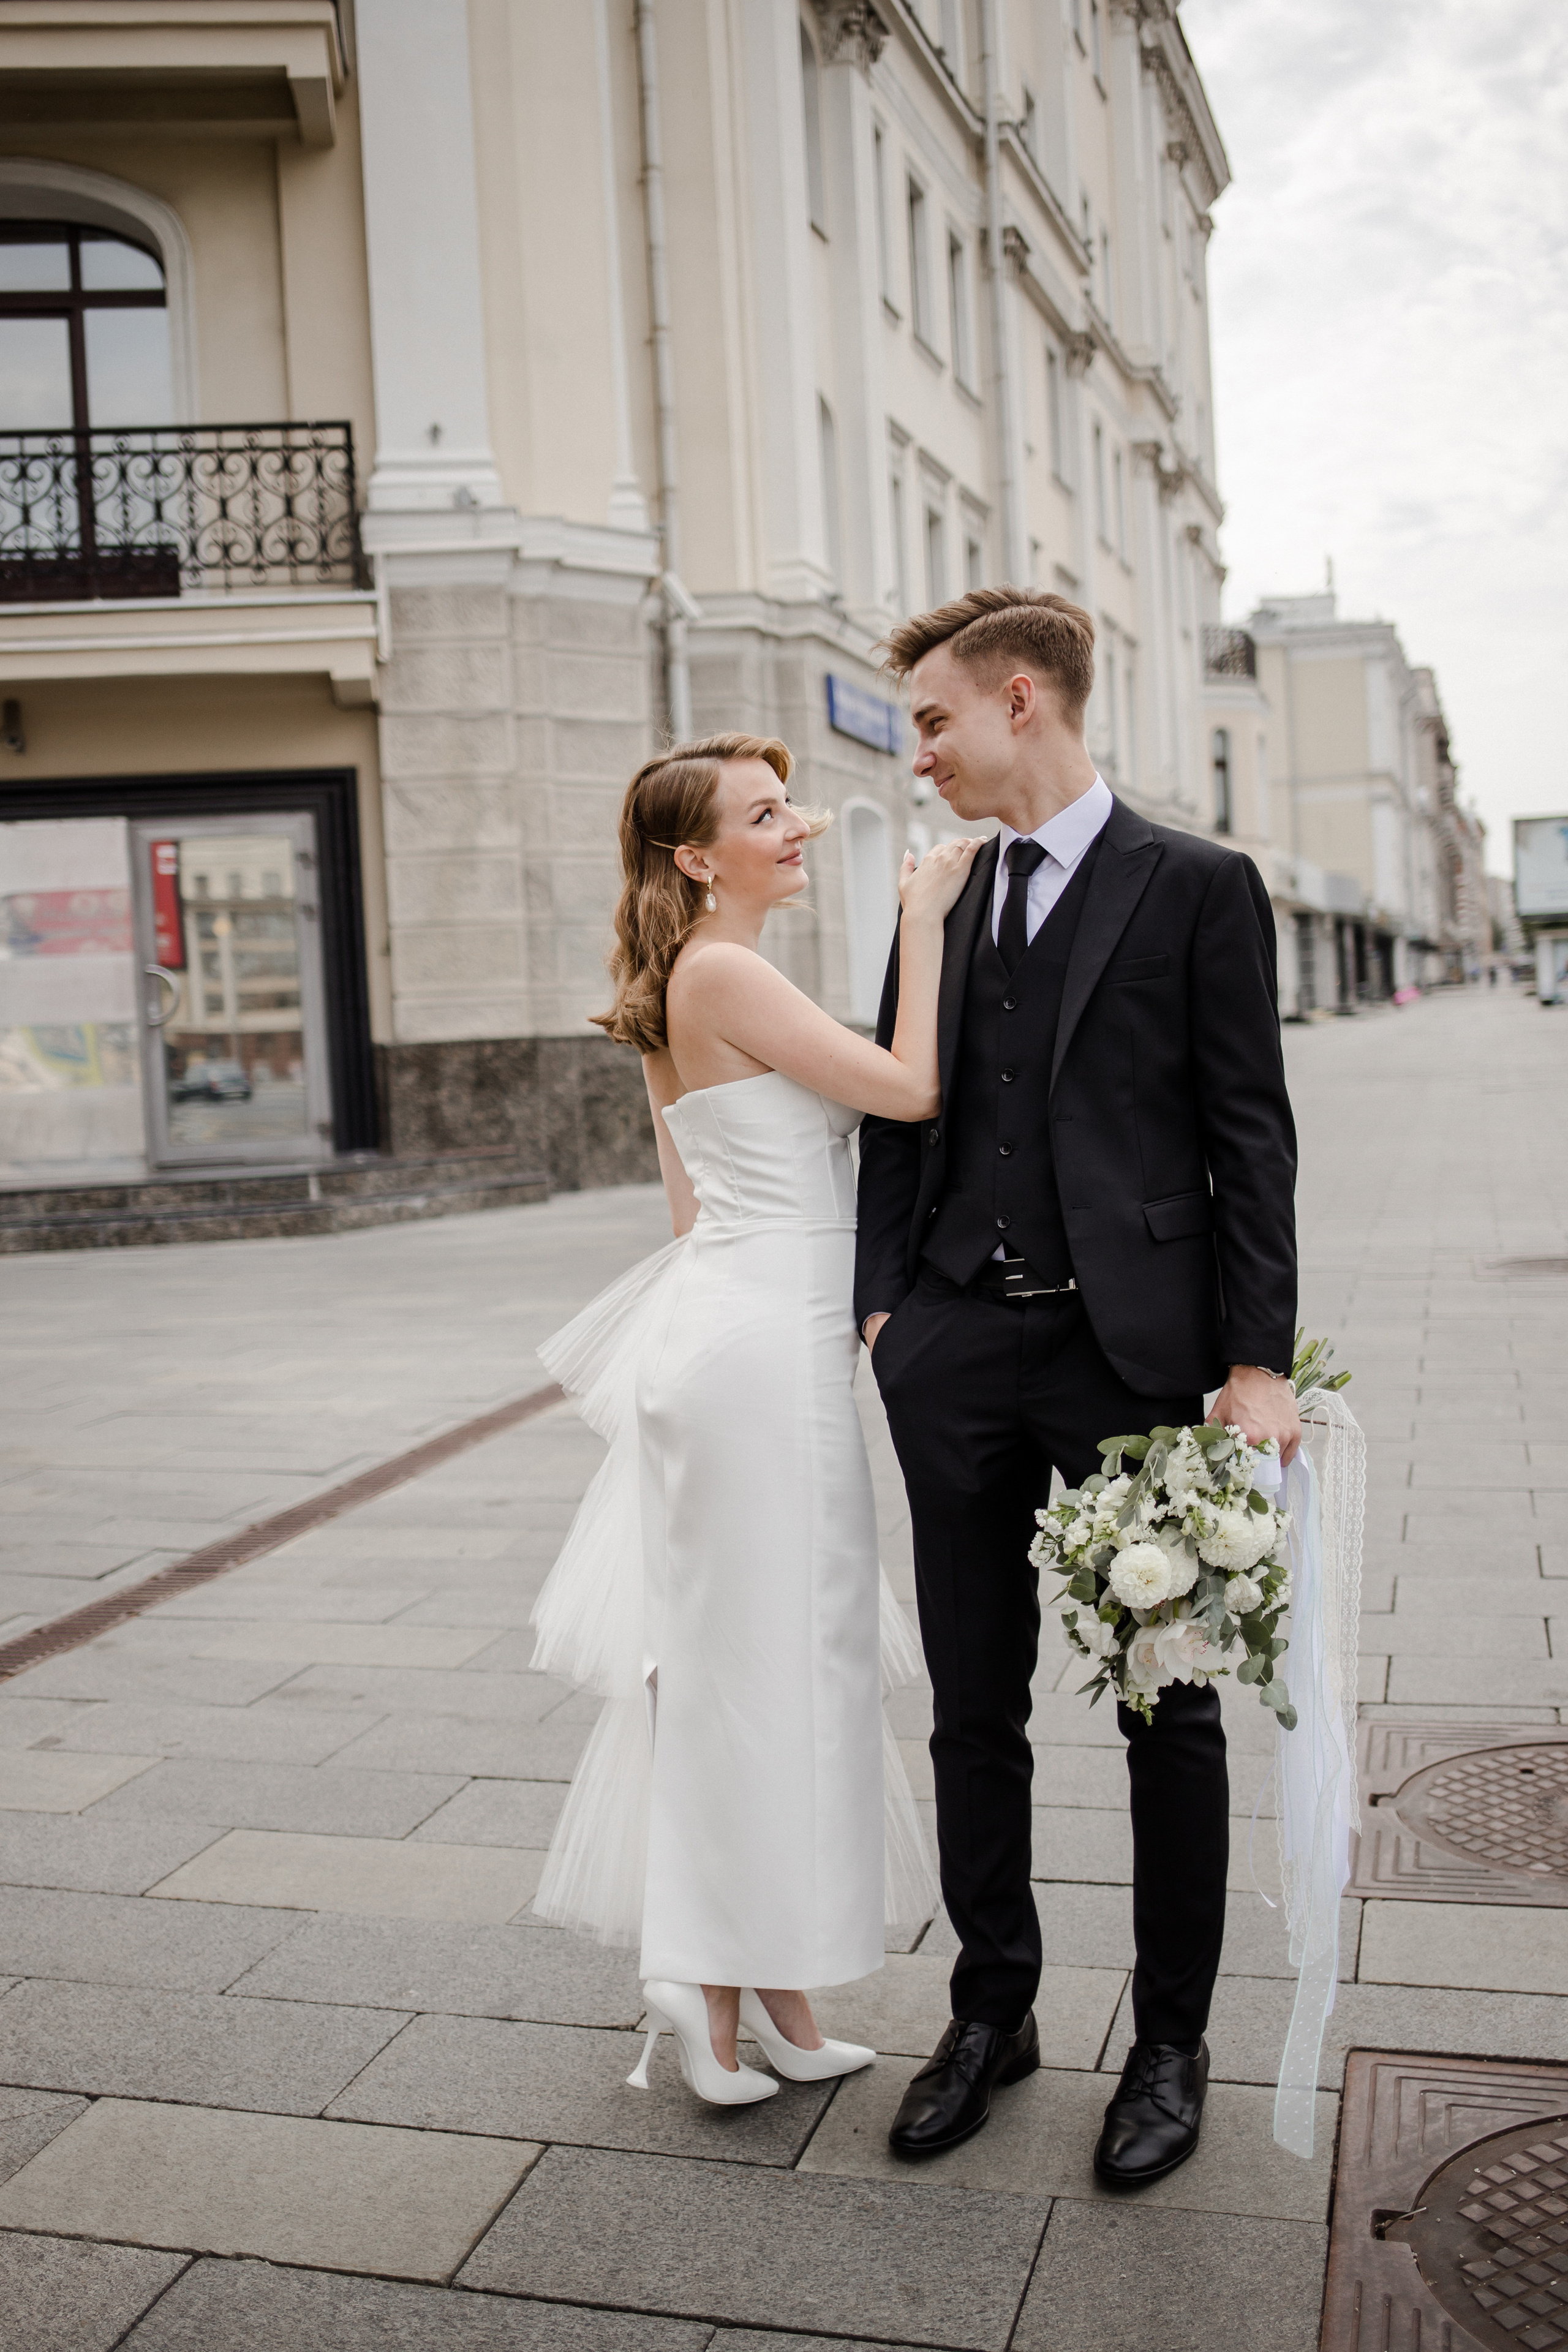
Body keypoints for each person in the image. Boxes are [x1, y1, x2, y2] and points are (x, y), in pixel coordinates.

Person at [855, 588, 1300, 2183]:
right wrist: (884, 1313)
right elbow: (896, 1109)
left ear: (1019, 700)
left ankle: (1169, 2045)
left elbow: (1249, 1133)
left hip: (1136, 1360)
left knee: (1165, 1703)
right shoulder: (939, 895)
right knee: (970, 1706)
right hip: (957, 1352)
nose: (919, 754)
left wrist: (1255, 1358)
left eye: (932, 721)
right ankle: (993, 2010)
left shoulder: (1197, 885)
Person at [529, 731, 977, 2105]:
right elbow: (911, 1091)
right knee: (754, 1675)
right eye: (763, 814)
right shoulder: (723, 971)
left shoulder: (687, 979)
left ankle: (769, 1993)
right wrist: (920, 921)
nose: (796, 828)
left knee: (773, 1668)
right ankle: (704, 1979)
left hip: (746, 1341)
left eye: (788, 806)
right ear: (696, 857)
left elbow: (691, 1210)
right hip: (758, 1360)